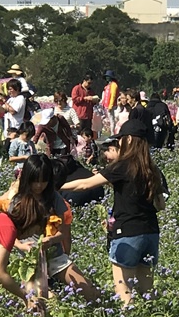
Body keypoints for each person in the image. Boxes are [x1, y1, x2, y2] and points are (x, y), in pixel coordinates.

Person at [59, 119, 169, 307]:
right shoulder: (152, 168)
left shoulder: (123, 166)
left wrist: (54, 186)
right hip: (151, 232)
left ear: (128, 140)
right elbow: (160, 205)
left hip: (127, 233)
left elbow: (85, 184)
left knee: (123, 288)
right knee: (147, 291)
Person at [8, 154, 101, 304]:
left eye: (43, 181)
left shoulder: (54, 198)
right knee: (39, 303)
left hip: (55, 255)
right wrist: (20, 246)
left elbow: (63, 232)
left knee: (89, 291)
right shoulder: (17, 202)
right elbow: (9, 234)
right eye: (35, 181)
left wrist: (51, 240)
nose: (39, 185)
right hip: (30, 260)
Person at [100, 70, 120, 136]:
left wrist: (110, 106)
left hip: (111, 105)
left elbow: (113, 95)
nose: (107, 78)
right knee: (108, 120)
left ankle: (112, 133)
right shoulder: (108, 85)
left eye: (108, 76)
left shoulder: (114, 85)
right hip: (106, 105)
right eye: (106, 77)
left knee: (112, 120)